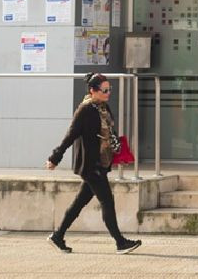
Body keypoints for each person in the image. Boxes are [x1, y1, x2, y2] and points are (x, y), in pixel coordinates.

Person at [45, 73, 142, 255]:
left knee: (79, 202)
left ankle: (58, 236)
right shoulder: (85, 110)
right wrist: (55, 157)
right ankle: (120, 242)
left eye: (109, 89)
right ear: (93, 91)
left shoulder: (103, 107)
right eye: (104, 90)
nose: (108, 93)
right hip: (90, 165)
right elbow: (70, 135)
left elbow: (109, 131)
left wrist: (117, 147)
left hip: (101, 161)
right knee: (107, 201)